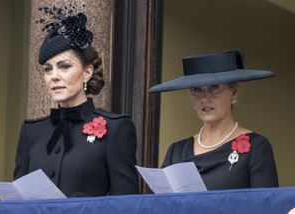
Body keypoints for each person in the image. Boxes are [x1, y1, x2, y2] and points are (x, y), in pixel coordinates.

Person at [14, 6, 139, 197]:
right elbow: (17, 201)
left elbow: (126, 204)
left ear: (87, 72)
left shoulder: (116, 128)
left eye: (64, 67)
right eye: (48, 69)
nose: (54, 76)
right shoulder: (31, 132)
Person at [150, 50, 278, 190]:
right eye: (197, 90)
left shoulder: (256, 147)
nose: (205, 98)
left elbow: (266, 205)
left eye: (215, 87)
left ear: (234, 93)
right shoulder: (176, 151)